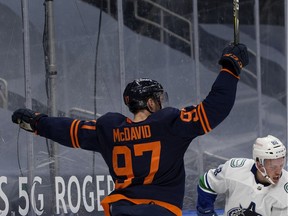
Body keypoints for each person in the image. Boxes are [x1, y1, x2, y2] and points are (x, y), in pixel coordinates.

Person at [11, 43, 249, 216]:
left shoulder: (110, 130)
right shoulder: (169, 124)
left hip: (122, 210)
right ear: (150, 102)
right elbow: (215, 108)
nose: (161, 102)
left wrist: (37, 122)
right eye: (158, 98)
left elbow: (71, 130)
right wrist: (230, 68)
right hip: (160, 211)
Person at [196, 135, 288, 216]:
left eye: (281, 165)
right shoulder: (234, 169)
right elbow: (207, 183)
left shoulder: (285, 192)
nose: (278, 172)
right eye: (272, 166)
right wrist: (206, 212)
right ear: (259, 164)